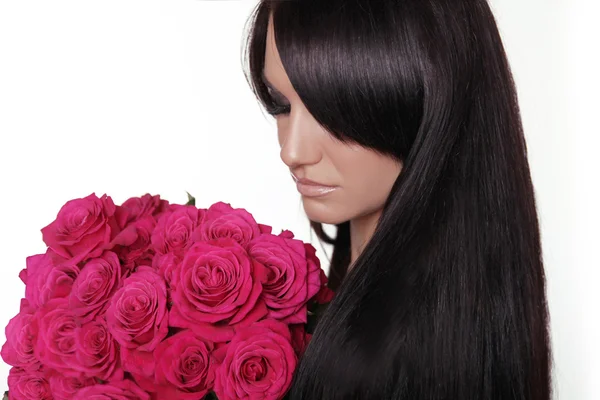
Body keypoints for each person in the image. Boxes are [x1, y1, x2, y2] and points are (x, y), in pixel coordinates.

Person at [242, 1, 553, 399]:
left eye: (330, 109)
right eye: (282, 106)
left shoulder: (393, 364)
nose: (292, 150)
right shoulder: (446, 321)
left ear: (428, 101)